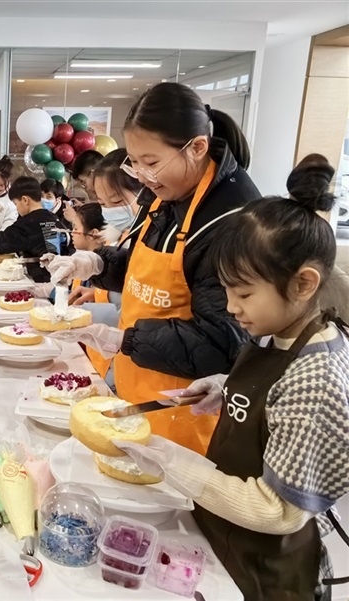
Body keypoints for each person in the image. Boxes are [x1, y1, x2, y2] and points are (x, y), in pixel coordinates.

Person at [117, 156, 349, 601]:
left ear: (303, 284)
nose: (231, 307)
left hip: (265, 567)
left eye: (243, 294)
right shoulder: (278, 329)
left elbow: (278, 511)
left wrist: (174, 463)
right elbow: (269, 393)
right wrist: (226, 387)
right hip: (222, 535)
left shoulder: (317, 378)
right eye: (225, 291)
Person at [47, 82, 258, 455]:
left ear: (196, 148)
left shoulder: (231, 221)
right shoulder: (167, 193)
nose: (143, 175)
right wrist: (96, 263)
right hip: (140, 387)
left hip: (187, 412)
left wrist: (125, 339)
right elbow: (140, 261)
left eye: (152, 162)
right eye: (136, 162)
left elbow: (222, 342)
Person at [0, 177, 66, 283]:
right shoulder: (53, 218)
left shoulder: (28, 224)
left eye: (16, 204)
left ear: (25, 200)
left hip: (46, 284)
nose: (17, 209)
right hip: (63, 280)